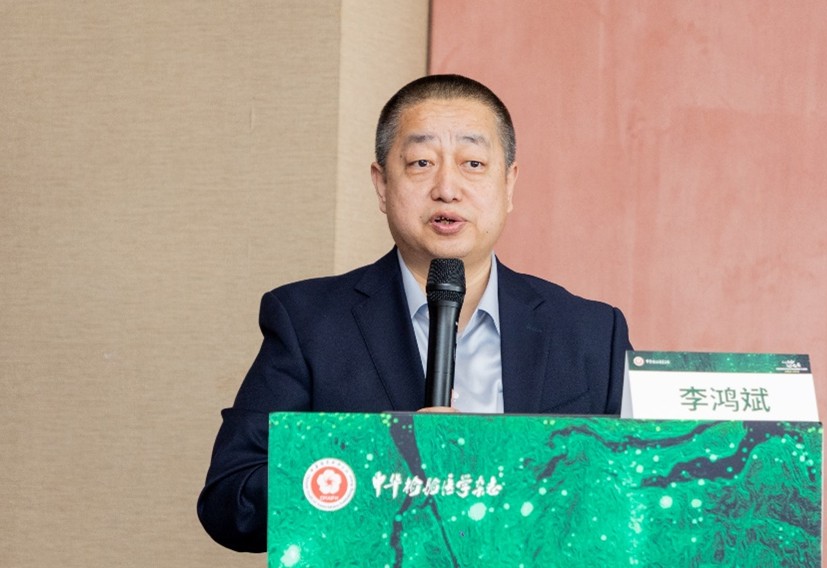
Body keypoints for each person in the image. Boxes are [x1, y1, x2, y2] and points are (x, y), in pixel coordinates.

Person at [198, 74, 632, 552]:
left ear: (509, 183)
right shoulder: (308, 322)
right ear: (382, 184)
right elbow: (231, 502)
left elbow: (636, 501)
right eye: (421, 163)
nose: (447, 188)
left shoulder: (592, 333)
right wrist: (385, 466)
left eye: (473, 163)